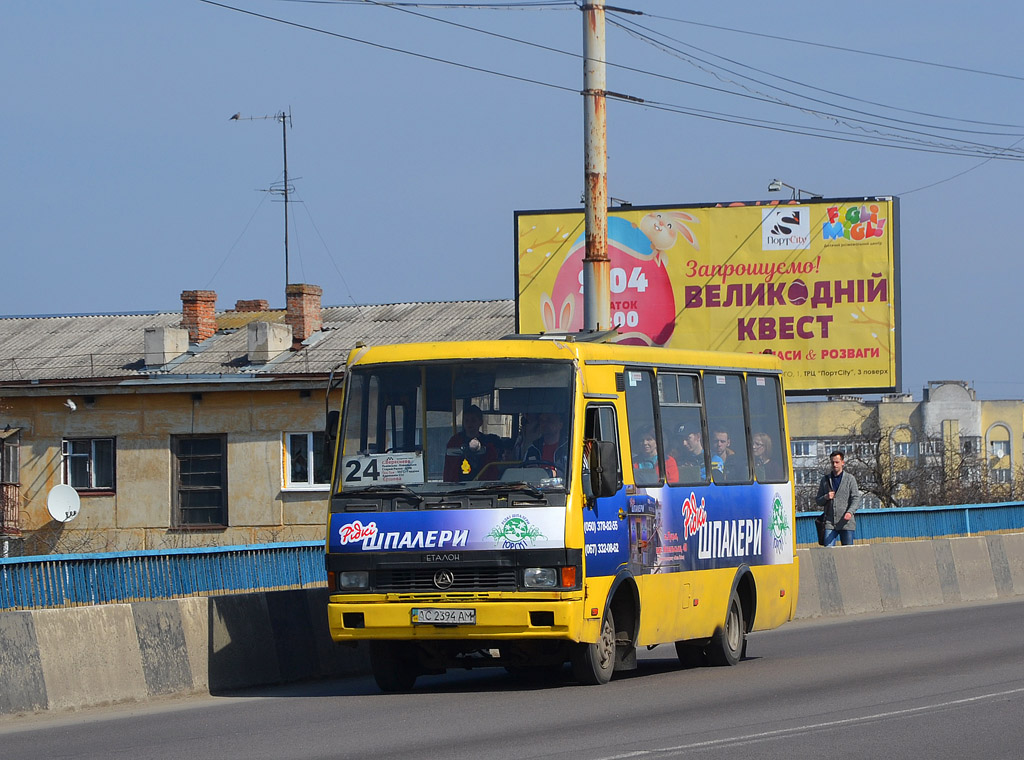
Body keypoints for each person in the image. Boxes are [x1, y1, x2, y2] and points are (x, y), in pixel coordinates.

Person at [815, 450, 860, 546]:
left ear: (842, 463)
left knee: (848, 552)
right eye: (832, 462)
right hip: (830, 523)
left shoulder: (850, 479)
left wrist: (850, 512)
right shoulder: (825, 480)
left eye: (837, 462)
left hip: (846, 523)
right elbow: (818, 500)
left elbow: (856, 498)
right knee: (828, 550)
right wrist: (826, 497)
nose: (834, 465)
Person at [443, 404, 498, 482]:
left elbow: (492, 470)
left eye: (473, 420)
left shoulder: (488, 443)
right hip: (457, 487)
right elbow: (449, 468)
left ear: (480, 422)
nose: (469, 424)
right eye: (466, 420)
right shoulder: (455, 441)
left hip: (482, 487)